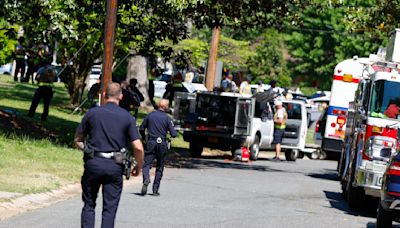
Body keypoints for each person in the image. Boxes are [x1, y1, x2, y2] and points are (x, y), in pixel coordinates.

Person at [74, 82, 144, 228]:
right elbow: (138, 148)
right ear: (121, 96)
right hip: (115, 165)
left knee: (89, 204)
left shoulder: (92, 113)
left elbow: (78, 140)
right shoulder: (127, 118)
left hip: (93, 163)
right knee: (109, 209)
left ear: (104, 95)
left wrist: (87, 150)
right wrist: (139, 165)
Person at [140, 99, 177, 196]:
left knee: (146, 164)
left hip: (151, 142)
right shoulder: (167, 118)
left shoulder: (150, 116)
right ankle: (155, 190)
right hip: (162, 144)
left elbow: (141, 128)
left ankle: (146, 178)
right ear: (166, 107)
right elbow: (174, 134)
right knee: (160, 166)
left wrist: (144, 138)